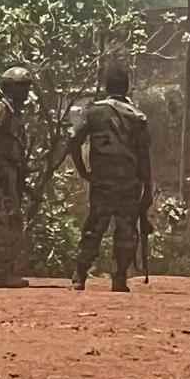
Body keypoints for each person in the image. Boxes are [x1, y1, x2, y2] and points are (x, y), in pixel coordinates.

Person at [67, 65, 152, 293]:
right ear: (127, 87)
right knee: (126, 231)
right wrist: (148, 189)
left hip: (102, 181)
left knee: (94, 227)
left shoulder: (93, 112)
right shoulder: (136, 117)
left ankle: (79, 276)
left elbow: (73, 141)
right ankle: (119, 278)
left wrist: (83, 170)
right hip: (129, 183)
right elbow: (144, 157)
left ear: (106, 87)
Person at [0, 66, 32, 289]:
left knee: (10, 219)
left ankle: (3, 269)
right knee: (2, 219)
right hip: (0, 172)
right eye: (22, 87)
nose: (26, 91)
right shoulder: (1, 109)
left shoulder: (13, 110)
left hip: (10, 171)